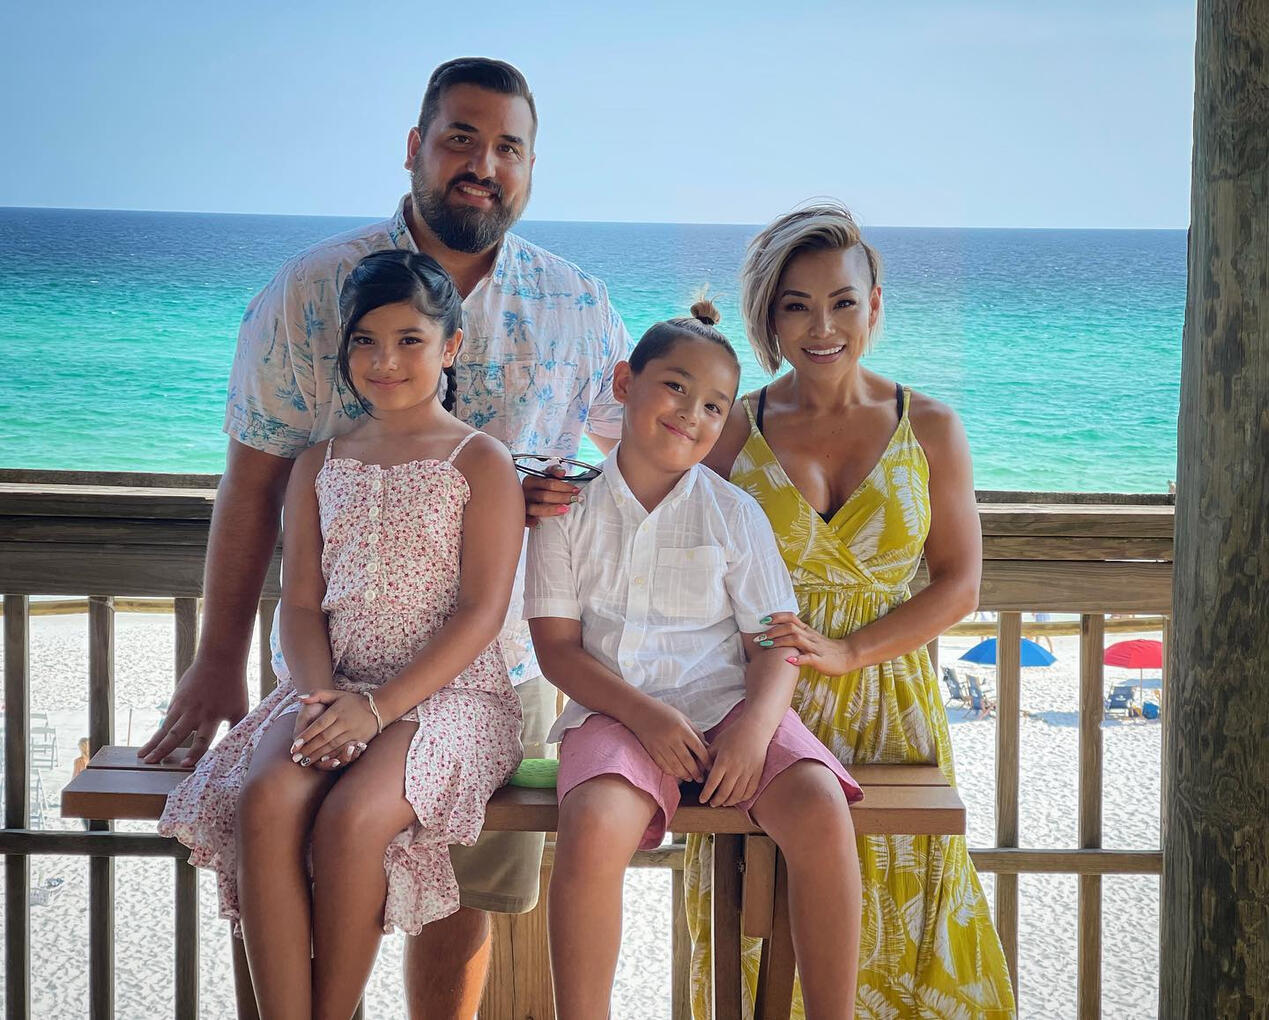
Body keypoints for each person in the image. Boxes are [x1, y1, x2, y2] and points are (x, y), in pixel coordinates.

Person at [139, 57, 629, 1015]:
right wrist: (218, 660)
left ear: (531, 169)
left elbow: (645, 455)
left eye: (508, 148)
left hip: (498, 671)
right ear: (415, 148)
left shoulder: (578, 306)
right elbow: (252, 483)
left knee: (457, 905)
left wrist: (571, 498)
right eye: (459, 138)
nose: (481, 164)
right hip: (329, 665)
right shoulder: (312, 288)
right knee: (273, 822)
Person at [159, 251, 524, 1020]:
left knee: (353, 819)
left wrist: (378, 710)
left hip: (449, 697)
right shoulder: (319, 461)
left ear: (450, 348)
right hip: (330, 684)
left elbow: (480, 614)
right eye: (364, 341)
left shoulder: (482, 463)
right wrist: (321, 696)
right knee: (266, 797)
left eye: (409, 340)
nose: (384, 360)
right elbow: (299, 603)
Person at [690, 202, 1016, 1017]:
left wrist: (845, 651)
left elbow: (956, 584)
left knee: (905, 923)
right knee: (754, 936)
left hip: (890, 709)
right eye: (795, 304)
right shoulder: (734, 430)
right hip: (759, 716)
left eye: (841, 301)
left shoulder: (930, 427)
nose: (821, 324)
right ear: (768, 317)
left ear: (874, 306)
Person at [525, 303, 864, 1019]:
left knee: (820, 807)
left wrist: (750, 731)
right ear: (624, 382)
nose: (691, 414)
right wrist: (643, 716)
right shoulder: (564, 514)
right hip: (616, 712)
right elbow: (556, 650)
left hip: (730, 709)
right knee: (590, 828)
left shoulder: (733, 511)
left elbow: (774, 643)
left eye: (713, 405)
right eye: (675, 388)